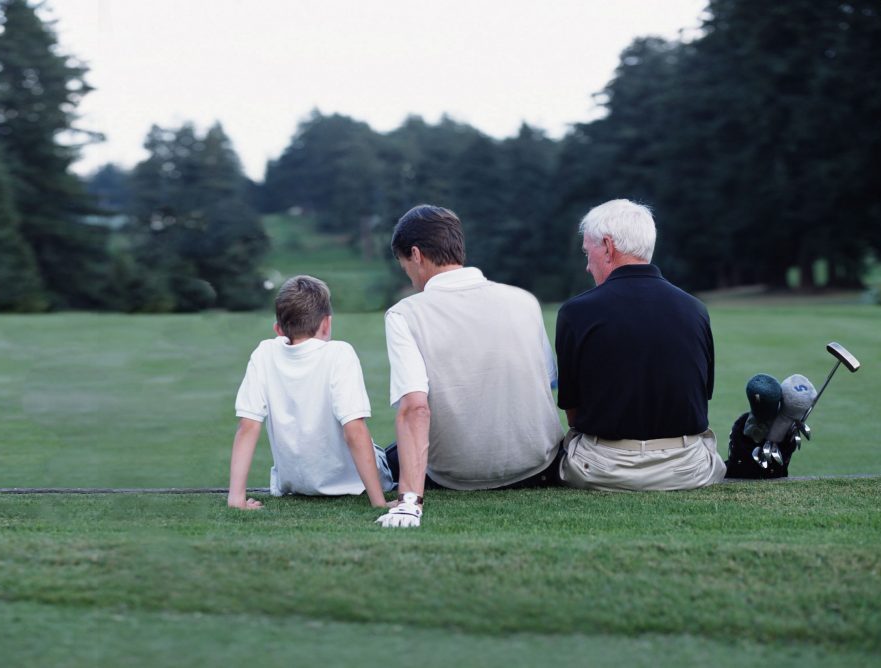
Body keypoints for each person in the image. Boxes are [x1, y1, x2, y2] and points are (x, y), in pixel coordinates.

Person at [375, 205, 563, 529]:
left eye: (405, 264)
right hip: (539, 466)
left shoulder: (405, 314)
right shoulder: (524, 301)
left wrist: (409, 502)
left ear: (416, 255)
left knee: (383, 455)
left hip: (455, 475)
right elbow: (547, 381)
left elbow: (415, 409)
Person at [555, 199, 726, 491]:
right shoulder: (695, 309)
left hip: (602, 469)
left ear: (608, 247)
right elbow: (700, 397)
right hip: (687, 468)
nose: (586, 265)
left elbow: (574, 416)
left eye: (588, 252)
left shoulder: (575, 313)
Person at [227, 275, 394, 510]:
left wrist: (236, 498)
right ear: (326, 323)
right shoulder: (340, 353)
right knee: (396, 451)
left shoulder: (264, 353)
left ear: (278, 329)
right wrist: (379, 502)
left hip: (294, 483)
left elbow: (248, 426)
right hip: (352, 482)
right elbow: (354, 430)